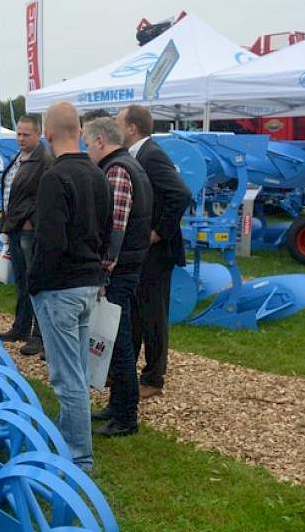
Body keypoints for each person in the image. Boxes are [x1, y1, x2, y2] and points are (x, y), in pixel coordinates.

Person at [28, 101, 111, 472]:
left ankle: (78, 458)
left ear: (46, 135)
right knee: (76, 369)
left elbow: (50, 243)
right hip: (88, 283)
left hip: (60, 287)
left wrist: (34, 285)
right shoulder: (97, 175)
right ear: (79, 132)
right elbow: (108, 231)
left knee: (67, 379)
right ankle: (69, 440)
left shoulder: (53, 179)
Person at [83, 117, 153, 437]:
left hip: (120, 270)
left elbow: (116, 227)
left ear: (100, 141)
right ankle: (118, 405)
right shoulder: (127, 164)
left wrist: (104, 269)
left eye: (87, 143)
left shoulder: (117, 171)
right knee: (116, 340)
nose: (87, 150)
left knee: (120, 343)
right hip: (128, 266)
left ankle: (126, 417)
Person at [116, 105, 191, 399]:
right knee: (136, 312)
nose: (114, 126)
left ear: (132, 128)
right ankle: (126, 370)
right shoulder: (137, 155)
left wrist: (159, 232)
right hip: (143, 251)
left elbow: (181, 194)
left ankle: (154, 377)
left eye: (118, 122)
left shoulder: (151, 154)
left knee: (153, 315)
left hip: (158, 252)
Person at [0, 115, 52, 356]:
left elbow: (46, 196)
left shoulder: (45, 160)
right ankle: (21, 327)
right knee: (21, 281)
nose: (20, 138)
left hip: (29, 228)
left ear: (38, 134)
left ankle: (39, 336)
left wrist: (32, 221)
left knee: (35, 283)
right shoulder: (19, 158)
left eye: (25, 134)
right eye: (18, 133)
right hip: (16, 227)